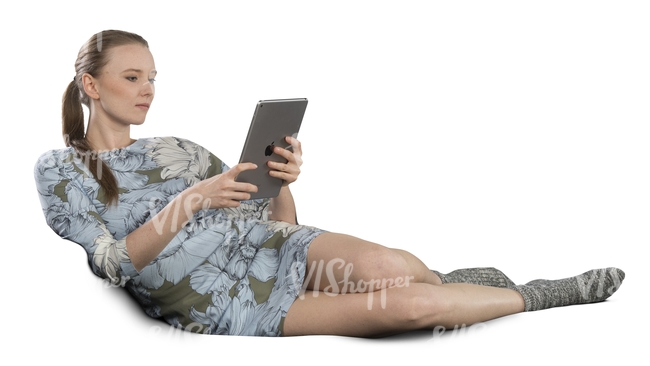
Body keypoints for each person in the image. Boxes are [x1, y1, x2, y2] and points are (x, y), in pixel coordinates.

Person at [34, 30, 625, 338]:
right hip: (221, 298)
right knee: (414, 305)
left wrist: (284, 180)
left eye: (154, 78)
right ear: (90, 85)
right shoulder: (61, 171)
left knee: (398, 265)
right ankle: (545, 293)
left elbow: (278, 222)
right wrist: (193, 200)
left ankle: (456, 281)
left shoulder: (182, 148)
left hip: (269, 248)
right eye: (133, 77)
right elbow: (112, 263)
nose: (148, 90)